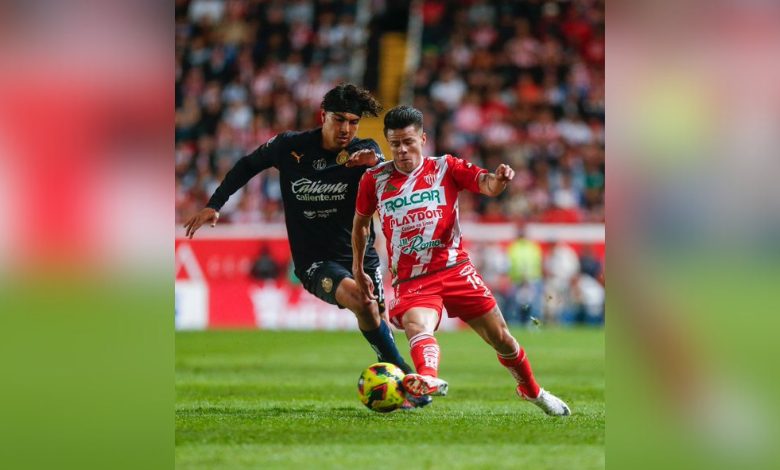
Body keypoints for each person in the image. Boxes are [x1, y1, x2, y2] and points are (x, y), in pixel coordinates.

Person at [183, 84, 427, 406]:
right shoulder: (290, 146)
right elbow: (247, 165)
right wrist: (215, 204)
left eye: (353, 122)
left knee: (377, 316)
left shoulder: (364, 151)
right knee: (363, 301)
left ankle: (393, 378)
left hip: (361, 256)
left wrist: (377, 163)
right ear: (323, 116)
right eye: (339, 120)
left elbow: (386, 170)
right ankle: (405, 375)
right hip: (315, 261)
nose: (346, 129)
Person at [352, 105, 570, 416]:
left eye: (408, 142)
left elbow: (487, 184)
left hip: (455, 270)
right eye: (395, 144)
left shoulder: (445, 167)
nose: (401, 150)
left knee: (502, 339)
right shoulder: (374, 179)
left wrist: (499, 180)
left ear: (423, 139)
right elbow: (360, 225)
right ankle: (427, 377)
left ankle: (532, 391)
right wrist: (357, 267)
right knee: (418, 325)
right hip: (413, 279)